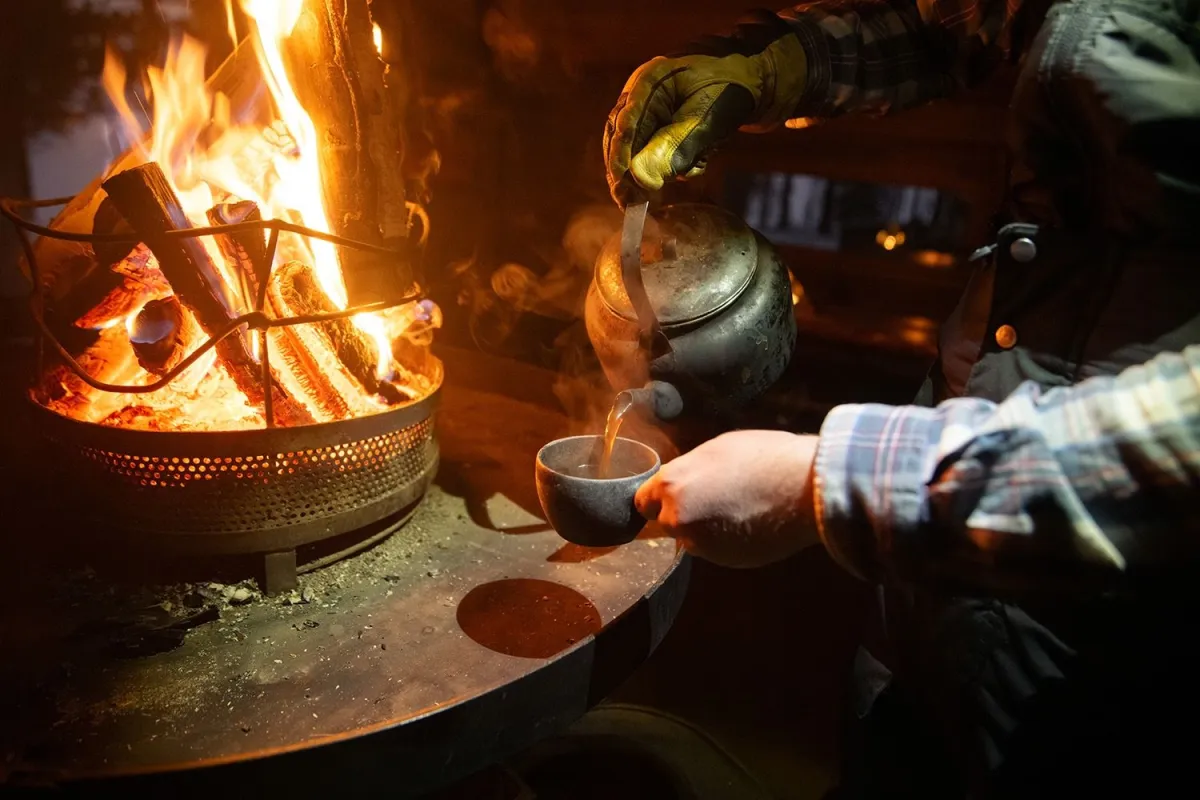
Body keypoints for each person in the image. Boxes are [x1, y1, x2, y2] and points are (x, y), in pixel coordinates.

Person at [604, 1, 1200, 797]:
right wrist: (778, 67)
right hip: (944, 510)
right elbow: (966, 23)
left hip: (1109, 591)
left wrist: (832, 483)